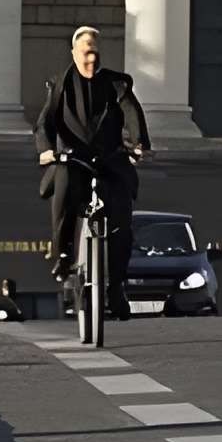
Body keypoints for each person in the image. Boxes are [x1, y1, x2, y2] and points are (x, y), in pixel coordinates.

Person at [35, 25, 149, 314]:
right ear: (73, 53)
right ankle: (62, 254)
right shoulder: (59, 84)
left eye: (95, 53)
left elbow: (132, 113)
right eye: (86, 53)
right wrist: (47, 150)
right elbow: (44, 123)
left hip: (111, 161)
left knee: (122, 221)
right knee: (63, 189)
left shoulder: (117, 84)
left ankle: (117, 288)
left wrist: (138, 144)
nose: (91, 60)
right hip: (73, 160)